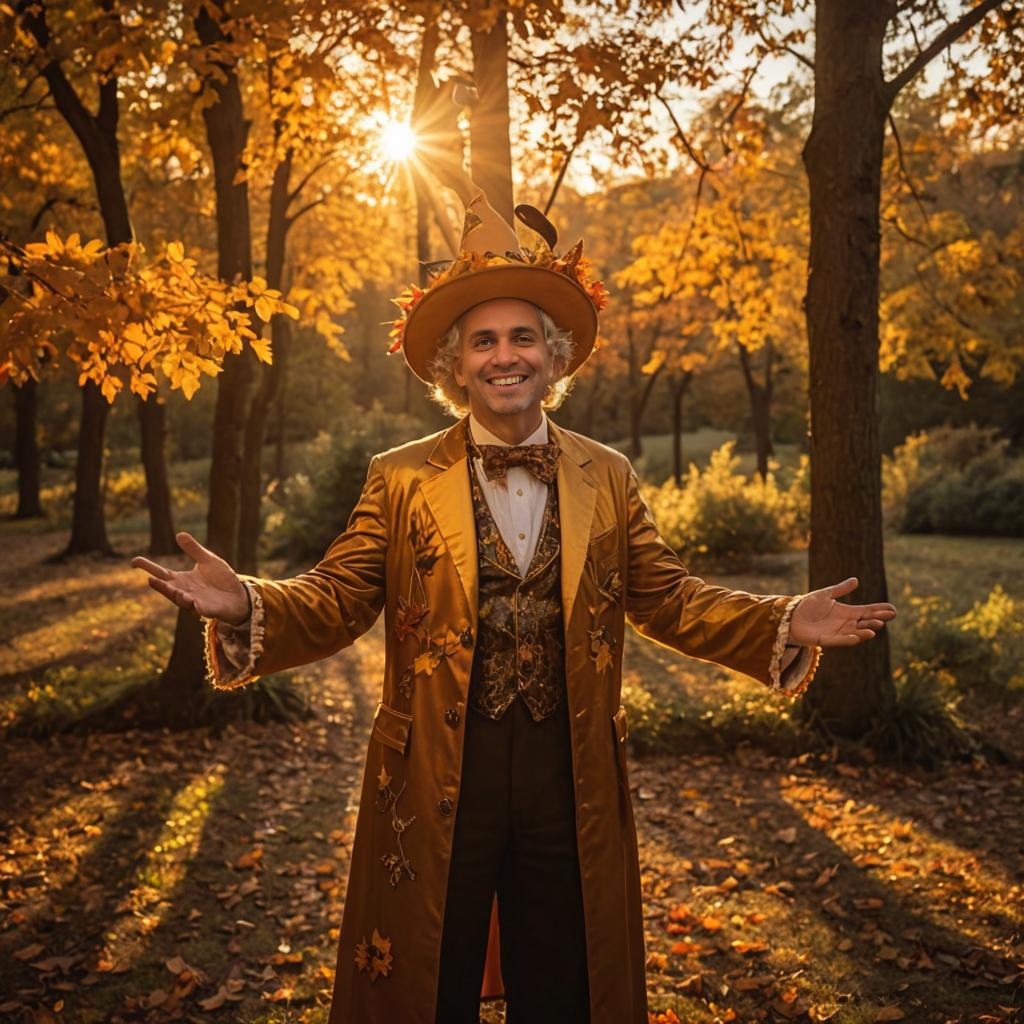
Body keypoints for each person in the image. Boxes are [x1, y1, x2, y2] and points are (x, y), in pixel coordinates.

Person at [132, 187, 897, 1024]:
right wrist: (245, 601)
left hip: (567, 770)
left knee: (566, 973)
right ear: (454, 366)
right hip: (432, 767)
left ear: (554, 356)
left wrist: (781, 619)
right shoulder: (399, 476)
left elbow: (668, 597)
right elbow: (339, 594)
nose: (506, 356)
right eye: (484, 341)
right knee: (430, 973)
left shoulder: (605, 474)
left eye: (523, 338)